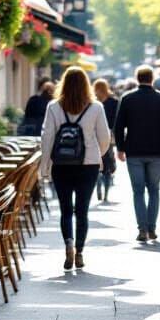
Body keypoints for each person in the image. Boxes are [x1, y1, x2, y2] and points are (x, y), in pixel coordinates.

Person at [40, 67, 110, 271]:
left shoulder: (54, 107)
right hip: (88, 165)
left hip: (61, 164)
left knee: (65, 210)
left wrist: (45, 165)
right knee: (82, 211)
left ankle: (68, 243)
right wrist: (98, 154)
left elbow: (47, 137)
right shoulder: (96, 107)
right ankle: (79, 251)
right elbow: (104, 137)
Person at [115, 65, 160, 243]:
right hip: (156, 150)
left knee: (138, 191)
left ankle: (142, 228)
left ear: (137, 78)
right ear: (152, 79)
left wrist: (120, 148)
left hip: (134, 150)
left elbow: (119, 126)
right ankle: (151, 228)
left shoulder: (127, 98)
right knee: (154, 190)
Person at [93, 78, 119, 202]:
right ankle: (106, 193)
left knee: (97, 162)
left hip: (94, 136)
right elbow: (117, 121)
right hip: (108, 136)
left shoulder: (92, 102)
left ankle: (98, 185)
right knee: (108, 164)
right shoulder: (113, 102)